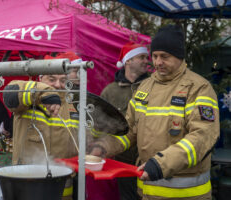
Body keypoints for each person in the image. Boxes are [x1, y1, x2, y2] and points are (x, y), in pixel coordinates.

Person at [90, 24, 220, 200]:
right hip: (148, 193)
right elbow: (128, 130)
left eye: (164, 57)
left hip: (187, 195)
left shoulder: (199, 88)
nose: (158, 62)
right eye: (155, 56)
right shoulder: (145, 87)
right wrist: (104, 147)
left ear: (179, 56)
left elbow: (203, 137)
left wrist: (160, 164)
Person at [3, 53, 89, 200]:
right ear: (40, 78)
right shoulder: (28, 96)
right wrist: (44, 92)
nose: (57, 84)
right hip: (28, 182)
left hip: (63, 186)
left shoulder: (74, 106)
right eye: (51, 79)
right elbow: (10, 93)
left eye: (63, 80)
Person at [100, 41, 149, 200]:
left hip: (149, 162)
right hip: (123, 162)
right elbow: (100, 125)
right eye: (141, 57)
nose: (146, 61)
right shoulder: (110, 92)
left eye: (146, 57)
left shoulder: (152, 87)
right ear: (128, 61)